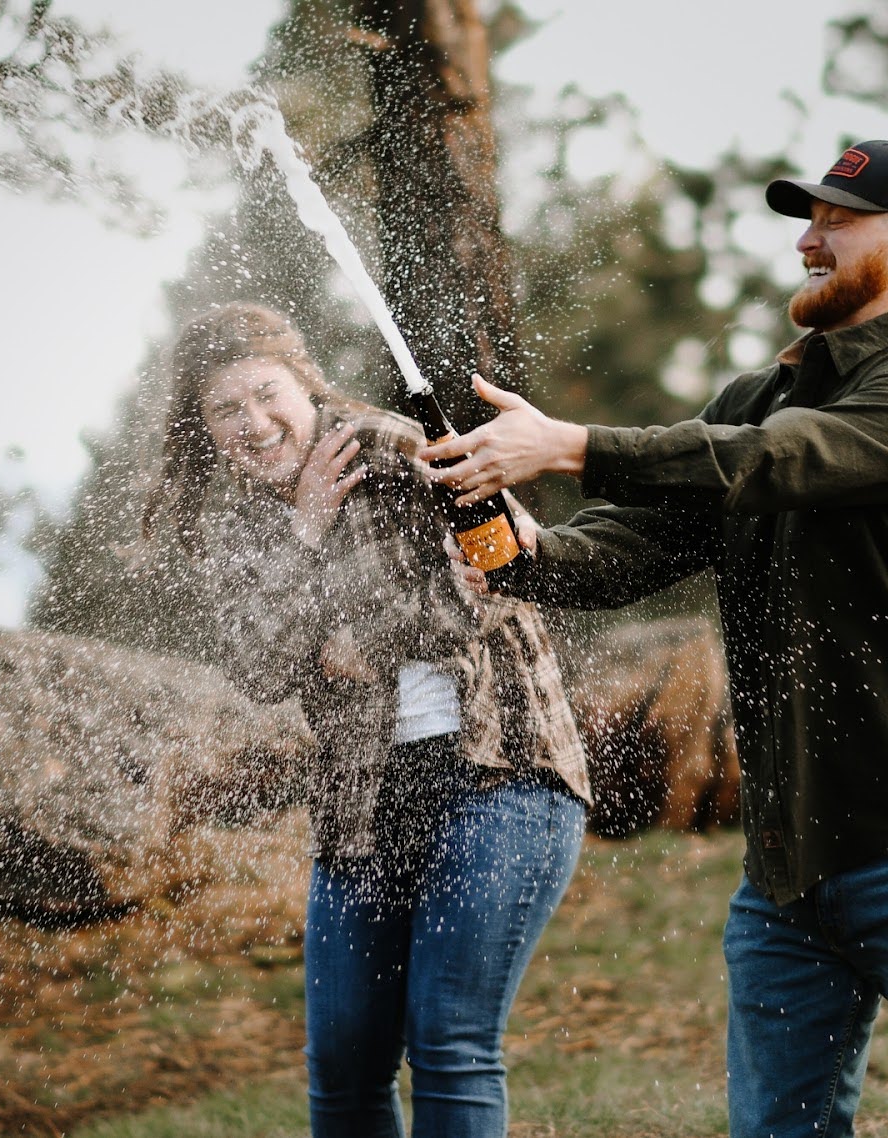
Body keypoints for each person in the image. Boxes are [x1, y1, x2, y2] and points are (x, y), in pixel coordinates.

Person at [420, 140, 888, 1137]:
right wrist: (523, 557)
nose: (808, 240)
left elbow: (771, 464)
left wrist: (572, 445)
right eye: (809, 219)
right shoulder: (757, 397)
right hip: (786, 877)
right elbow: (635, 546)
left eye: (838, 221)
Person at [142, 302, 591, 1138]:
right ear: (202, 426)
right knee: (345, 1061)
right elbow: (258, 668)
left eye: (265, 394)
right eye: (225, 410)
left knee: (448, 1038)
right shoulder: (232, 520)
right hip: (363, 796)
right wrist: (306, 536)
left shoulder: (396, 449)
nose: (254, 422)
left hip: (498, 770)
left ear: (305, 382)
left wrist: (347, 635)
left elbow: (485, 594)